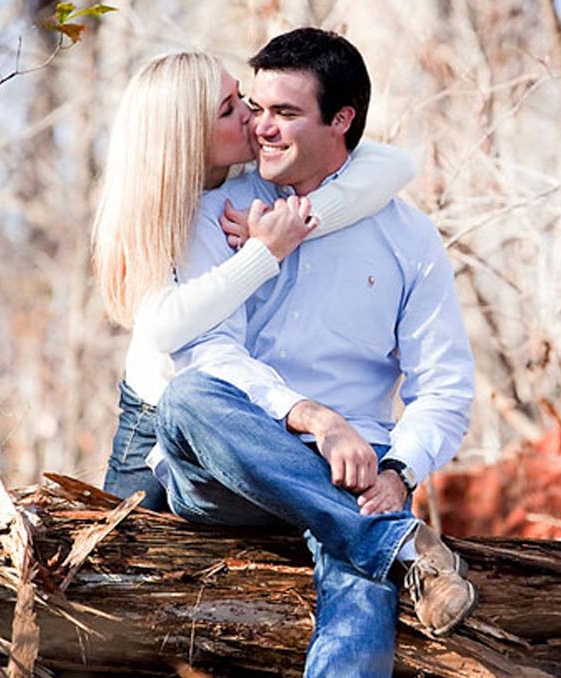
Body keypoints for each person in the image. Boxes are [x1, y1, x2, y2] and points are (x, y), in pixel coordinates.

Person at [153, 28, 477, 678]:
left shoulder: (406, 238)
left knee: (360, 570)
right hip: (228, 465)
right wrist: (311, 417)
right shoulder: (215, 210)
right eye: (255, 105)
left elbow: (444, 387)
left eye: (286, 113)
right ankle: (397, 544)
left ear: (341, 121)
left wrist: (397, 467)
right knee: (186, 399)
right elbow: (207, 351)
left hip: (355, 476)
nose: (260, 128)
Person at [91, 50, 416, 510]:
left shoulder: (251, 178)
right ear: (187, 137)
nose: (252, 116)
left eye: (239, 96)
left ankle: (364, 523)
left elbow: (395, 165)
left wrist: (303, 219)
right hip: (155, 415)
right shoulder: (157, 215)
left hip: (236, 410)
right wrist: (268, 251)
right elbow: (165, 328)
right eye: (230, 109)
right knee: (113, 569)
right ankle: (376, 525)